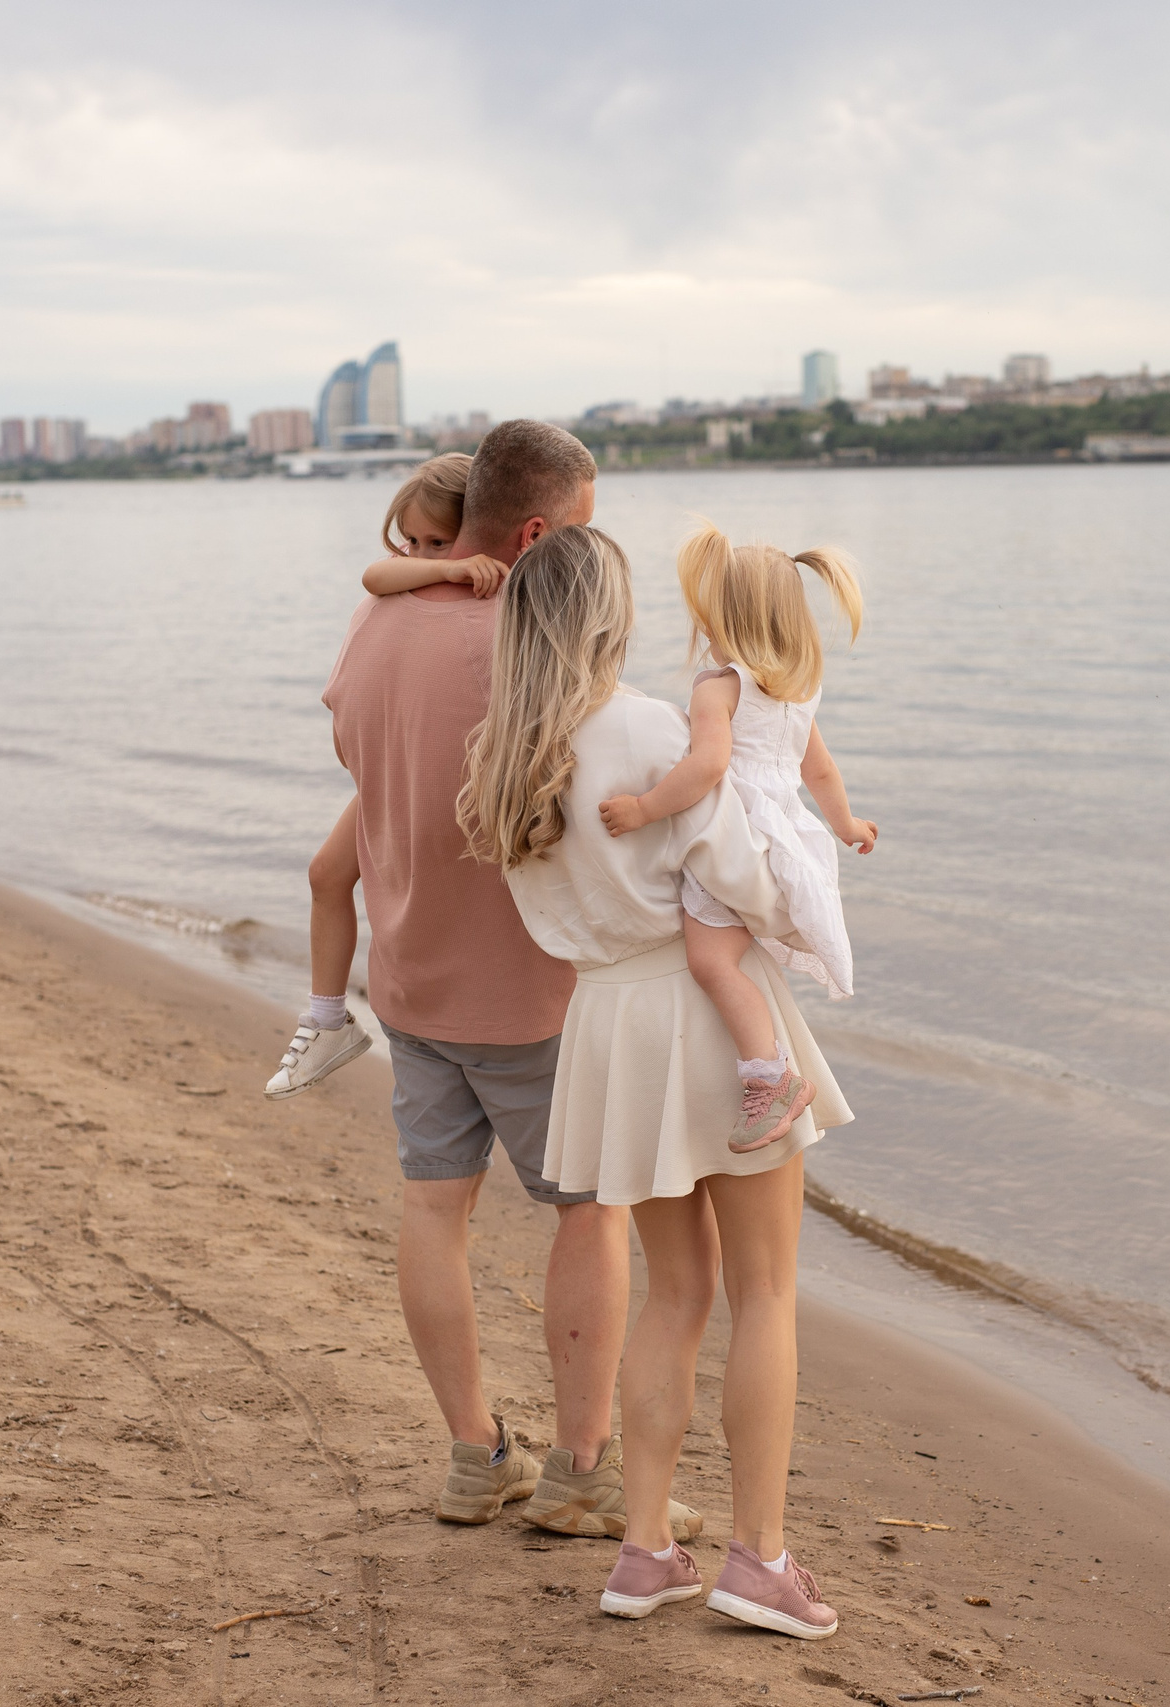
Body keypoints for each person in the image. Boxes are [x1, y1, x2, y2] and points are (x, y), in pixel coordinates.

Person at [461, 523, 853, 1640]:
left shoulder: (505, 752)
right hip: (704, 1015)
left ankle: (642, 1551)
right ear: (610, 617)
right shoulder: (648, 728)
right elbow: (743, 878)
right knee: (764, 1291)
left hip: (609, 1024)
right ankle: (759, 1558)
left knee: (674, 1293)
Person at [317, 424, 697, 1544]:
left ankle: (473, 1457)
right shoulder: (536, 646)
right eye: (582, 532)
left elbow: (363, 769)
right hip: (532, 996)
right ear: (537, 534)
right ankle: (581, 1473)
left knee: (434, 1208)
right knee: (590, 1212)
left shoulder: (374, 622)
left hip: (409, 975)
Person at [597, 523, 876, 1152]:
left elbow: (707, 767)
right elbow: (819, 771)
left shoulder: (718, 687)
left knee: (711, 964)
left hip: (735, 841)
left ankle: (771, 1078)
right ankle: (771, 1070)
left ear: (726, 619)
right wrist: (847, 826)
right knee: (735, 954)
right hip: (786, 845)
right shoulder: (799, 690)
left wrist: (644, 808)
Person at [266, 453, 481, 1102]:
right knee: (325, 874)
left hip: (446, 778)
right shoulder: (418, 577)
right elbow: (374, 574)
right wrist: (446, 566)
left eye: (438, 540)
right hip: (394, 775)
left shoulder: (501, 591)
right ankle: (327, 1018)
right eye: (411, 540)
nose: (419, 554)